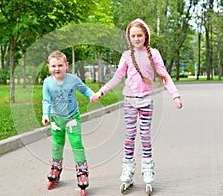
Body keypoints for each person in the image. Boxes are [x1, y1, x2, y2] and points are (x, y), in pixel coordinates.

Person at [90, 18, 183, 193]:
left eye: (139, 35)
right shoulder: (126, 55)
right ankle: (127, 171)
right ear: (129, 37)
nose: (136, 38)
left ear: (145, 36)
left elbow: (164, 76)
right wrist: (101, 92)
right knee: (130, 135)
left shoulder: (153, 53)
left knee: (145, 135)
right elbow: (117, 77)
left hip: (146, 100)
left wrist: (175, 96)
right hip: (130, 100)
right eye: (133, 36)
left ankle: (147, 169)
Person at [42, 51, 94, 191]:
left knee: (76, 143)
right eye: (53, 66)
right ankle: (56, 167)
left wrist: (92, 95)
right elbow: (46, 101)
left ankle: (82, 171)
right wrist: (45, 115)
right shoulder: (47, 82)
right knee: (57, 144)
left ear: (66, 65)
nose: (57, 69)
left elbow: (84, 89)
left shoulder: (73, 79)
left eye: (60, 65)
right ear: (49, 67)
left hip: (72, 117)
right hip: (55, 118)